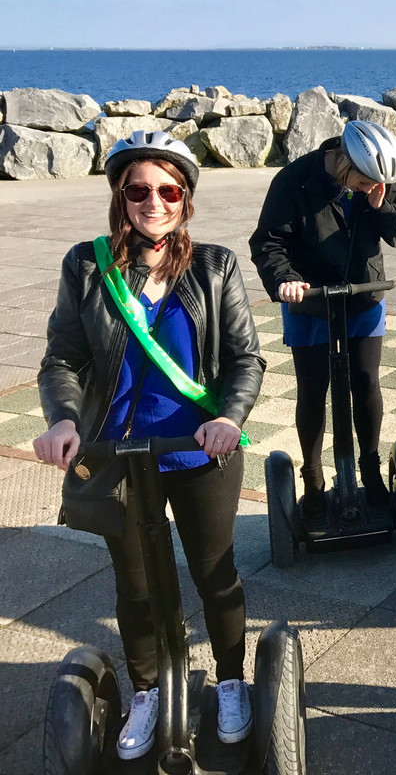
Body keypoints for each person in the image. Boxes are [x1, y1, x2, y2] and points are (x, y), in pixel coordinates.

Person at [33, 131, 265, 760]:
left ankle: (233, 677)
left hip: (198, 449)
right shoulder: (88, 265)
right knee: (134, 586)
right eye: (139, 189)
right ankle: (145, 689)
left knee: (216, 576)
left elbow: (245, 358)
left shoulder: (214, 267)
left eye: (168, 190)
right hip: (118, 455)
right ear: (120, 195)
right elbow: (63, 358)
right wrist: (61, 421)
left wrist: (230, 417)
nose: (153, 202)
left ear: (185, 199)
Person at [249, 120, 396, 514]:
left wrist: (382, 206)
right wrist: (285, 279)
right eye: (362, 183)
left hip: (363, 296)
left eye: (376, 184)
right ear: (344, 162)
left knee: (365, 381)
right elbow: (268, 242)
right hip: (310, 300)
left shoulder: (380, 177)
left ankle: (370, 469)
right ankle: (312, 477)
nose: (368, 188)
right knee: (313, 390)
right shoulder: (295, 179)